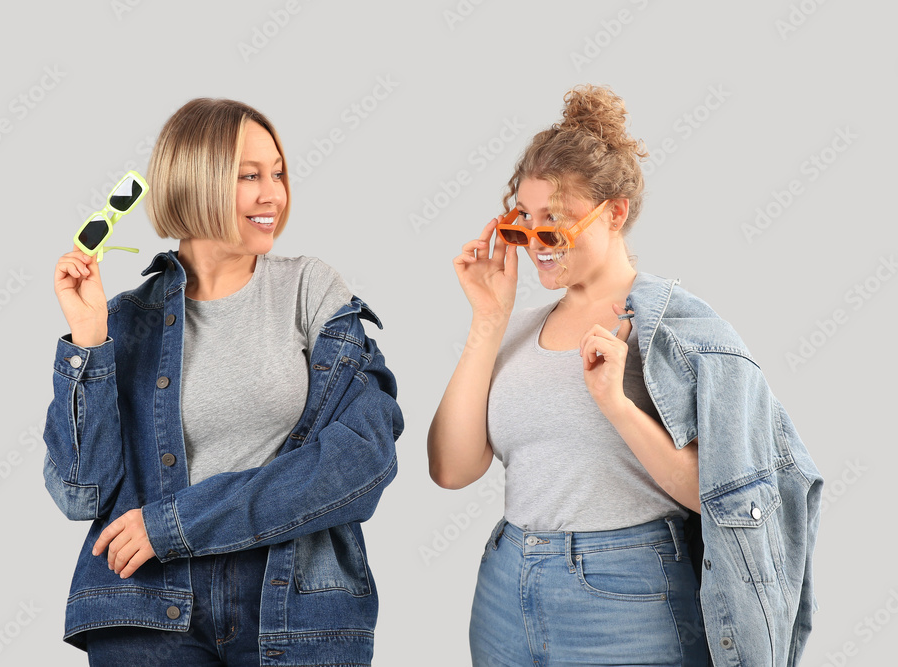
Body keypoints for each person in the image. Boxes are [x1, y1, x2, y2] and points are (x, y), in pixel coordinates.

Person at [427, 84, 821, 666]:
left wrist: (616, 404)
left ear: (615, 213)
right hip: (506, 587)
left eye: (553, 226)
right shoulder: (516, 328)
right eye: (521, 225)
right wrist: (488, 320)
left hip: (628, 593)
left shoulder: (680, 330)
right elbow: (452, 469)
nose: (535, 245)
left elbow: (720, 496)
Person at [42, 98, 403, 666]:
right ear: (194, 182)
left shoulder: (309, 289)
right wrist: (88, 339)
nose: (273, 195)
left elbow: (363, 459)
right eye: (249, 176)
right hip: (145, 608)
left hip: (292, 604)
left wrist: (177, 524)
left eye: (278, 173)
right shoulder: (126, 320)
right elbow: (79, 494)